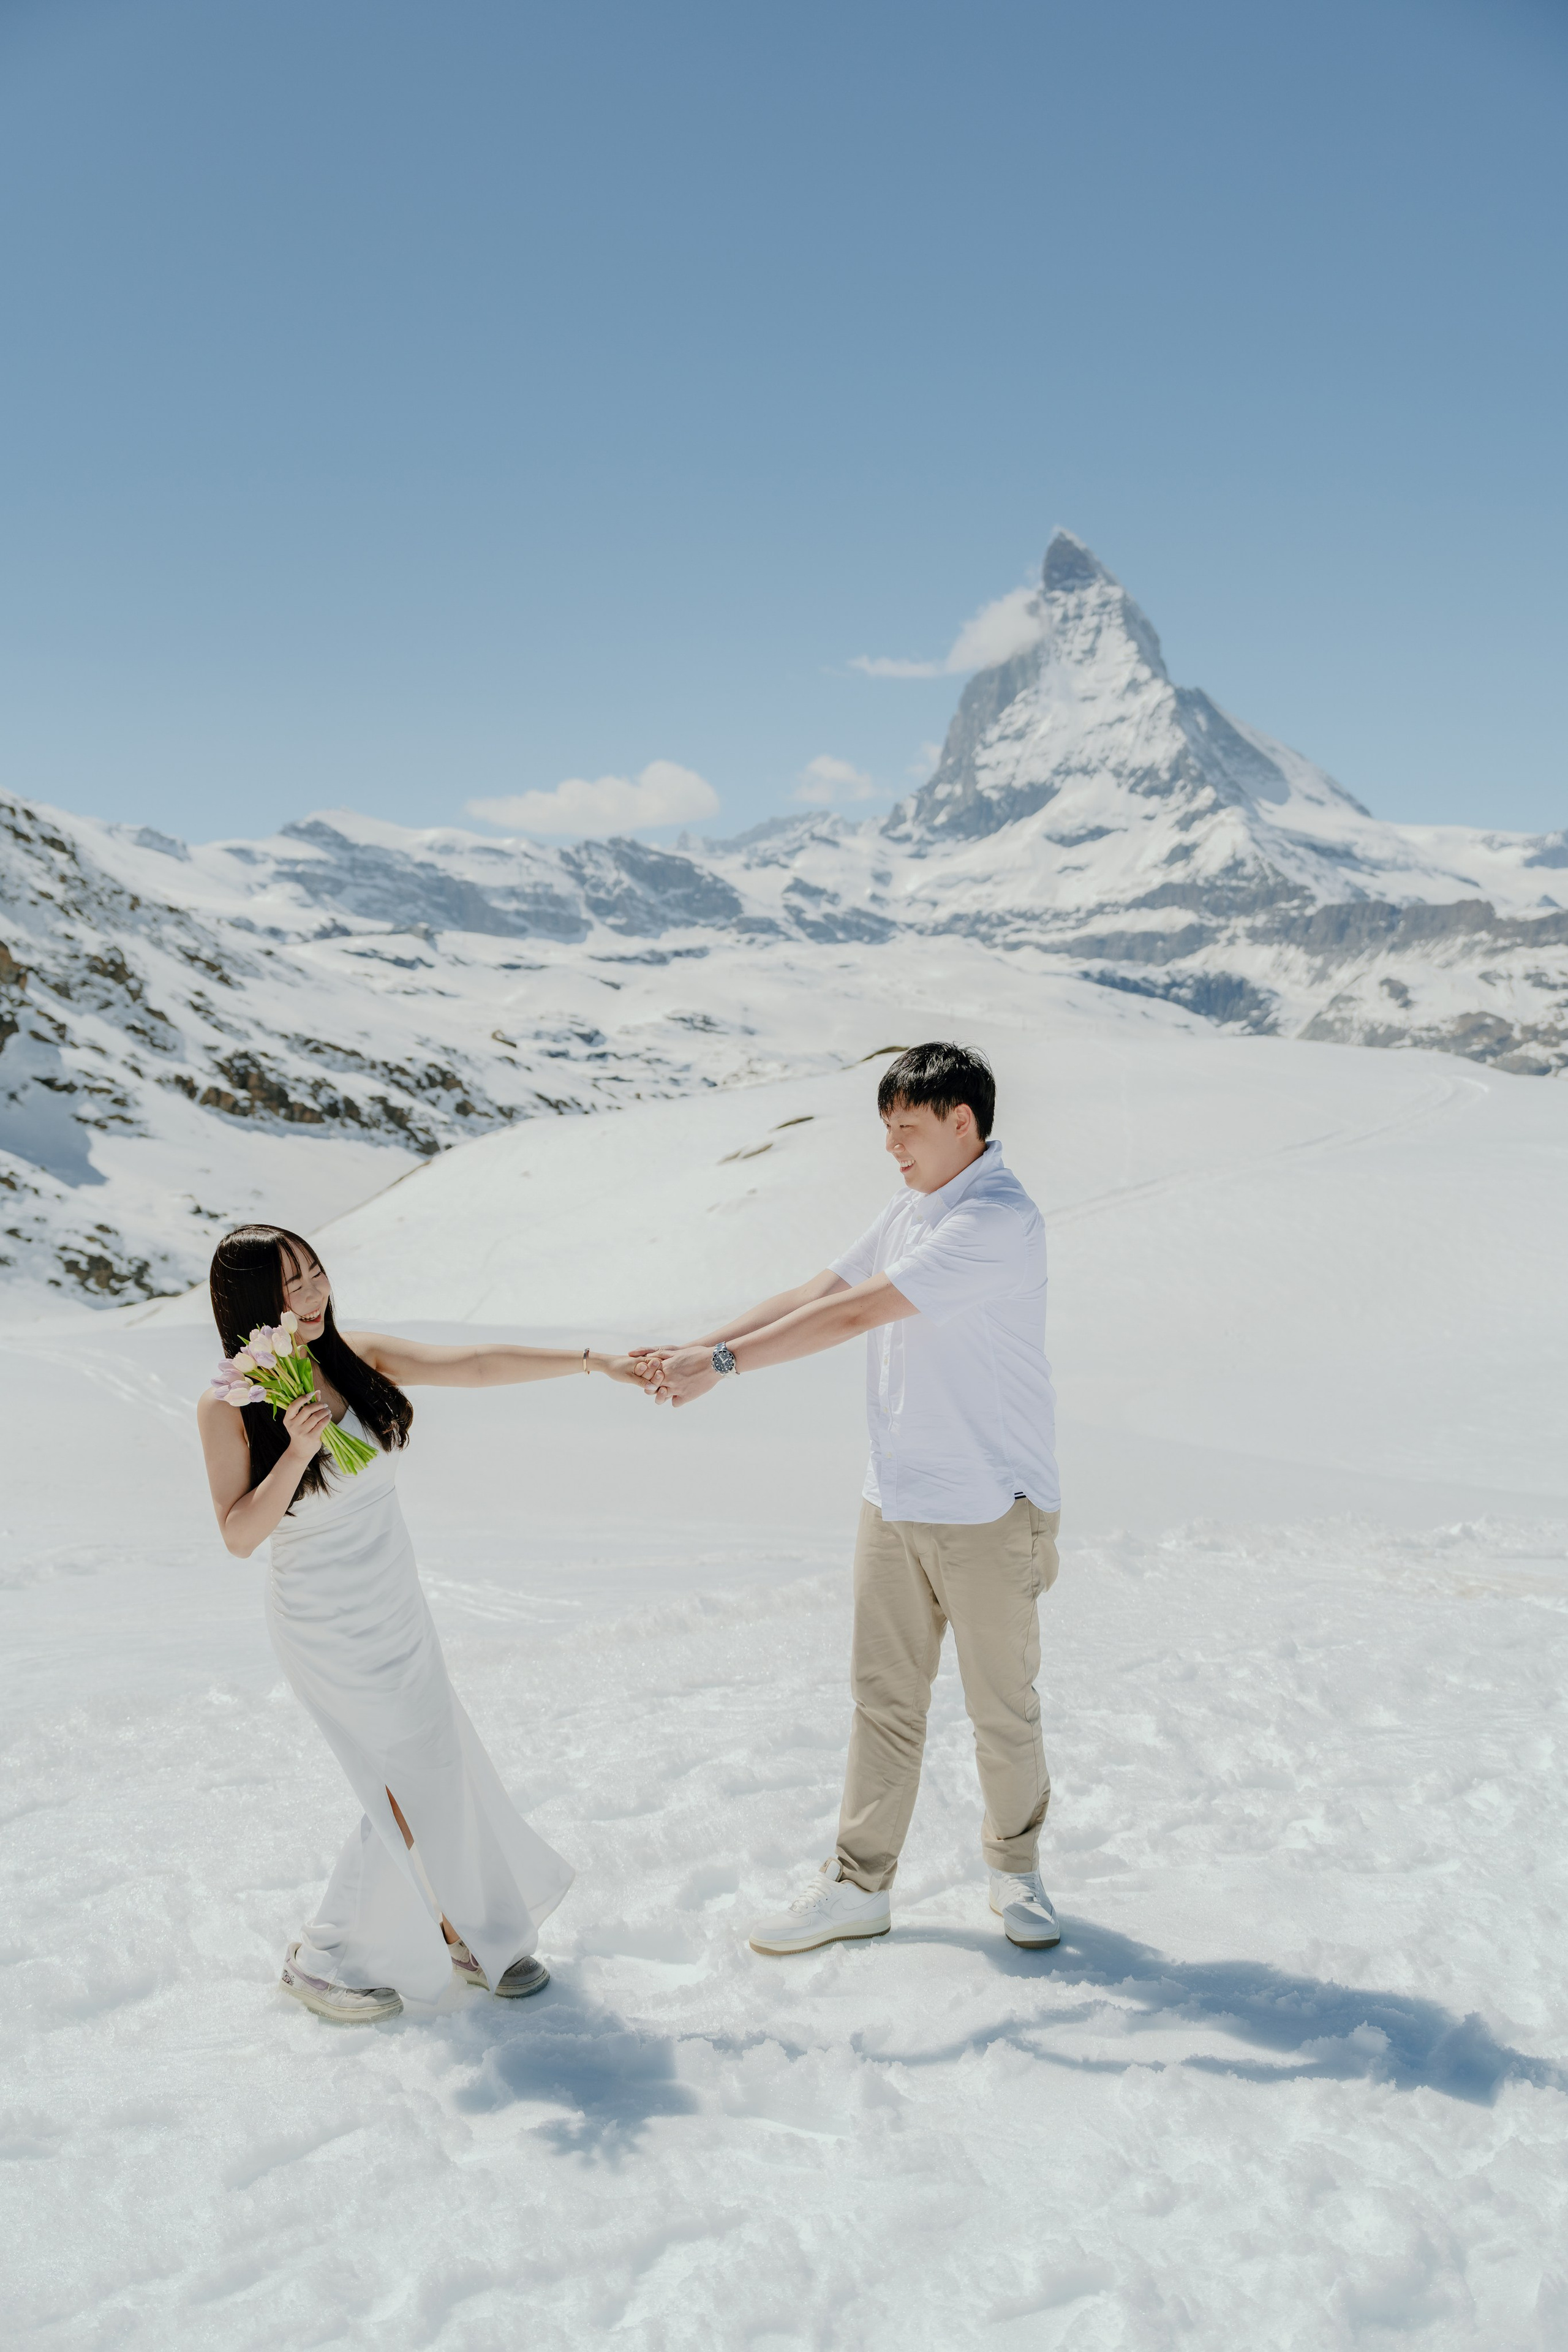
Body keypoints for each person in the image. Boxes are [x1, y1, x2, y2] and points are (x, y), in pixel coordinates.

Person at [643, 1042, 1062, 1955]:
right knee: (884, 1702)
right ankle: (858, 1887)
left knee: (1001, 1704)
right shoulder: (910, 1209)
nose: (892, 1149)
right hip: (897, 1498)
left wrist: (716, 1369)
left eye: (906, 1130)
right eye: (885, 1131)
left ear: (965, 1125)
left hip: (991, 1506)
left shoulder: (995, 1219)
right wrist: (694, 1346)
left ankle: (1016, 1873)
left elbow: (855, 1314)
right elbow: (815, 1290)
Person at [196, 1223, 652, 2025]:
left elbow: (471, 1366)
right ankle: (325, 1955)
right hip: (323, 1620)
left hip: (395, 1602)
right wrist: (298, 1452)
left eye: (315, 1273)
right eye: (289, 1284)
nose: (312, 1294)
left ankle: (460, 1929)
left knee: (440, 1758)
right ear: (250, 1304)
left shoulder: (354, 1355)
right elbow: (238, 1534)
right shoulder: (229, 1401)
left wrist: (589, 1360)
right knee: (403, 1777)